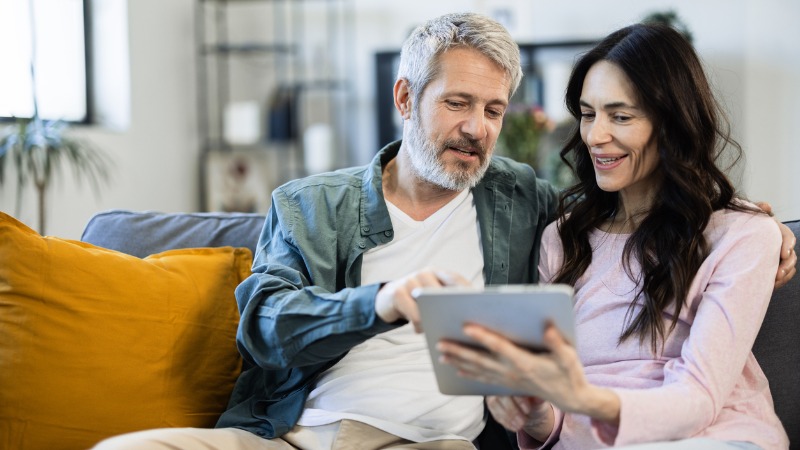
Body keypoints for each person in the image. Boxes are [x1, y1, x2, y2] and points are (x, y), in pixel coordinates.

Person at [93, 13, 795, 450]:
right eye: (458, 102)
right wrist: (382, 302)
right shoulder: (311, 205)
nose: (477, 128)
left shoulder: (526, 204)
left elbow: (655, 213)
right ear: (405, 97)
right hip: (291, 433)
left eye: (493, 108)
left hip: (429, 443)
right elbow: (264, 327)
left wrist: (754, 225)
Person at [437, 23, 791, 450]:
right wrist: (535, 411)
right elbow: (556, 418)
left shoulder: (740, 236)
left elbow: (699, 398)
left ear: (672, 125)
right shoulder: (561, 239)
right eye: (588, 114)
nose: (595, 136)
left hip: (710, 437)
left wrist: (583, 399)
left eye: (620, 116)